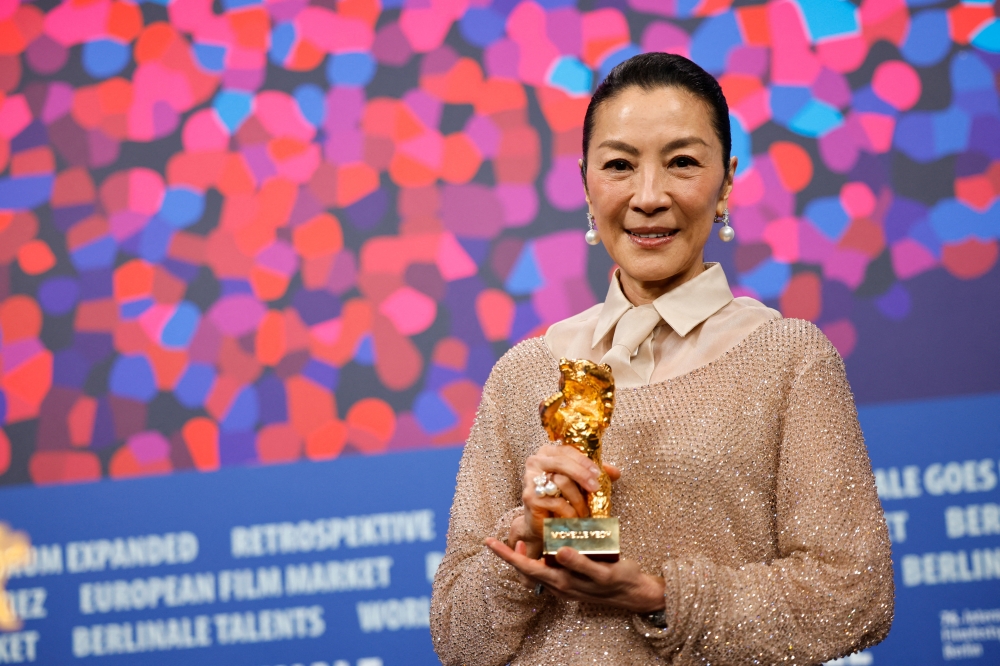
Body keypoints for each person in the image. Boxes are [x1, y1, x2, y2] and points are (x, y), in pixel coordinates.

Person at [430, 52, 893, 665]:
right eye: (619, 165)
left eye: (682, 163)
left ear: (727, 180)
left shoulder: (788, 360)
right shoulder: (524, 373)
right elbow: (456, 642)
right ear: (585, 182)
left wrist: (657, 596)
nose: (648, 197)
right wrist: (527, 543)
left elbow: (854, 595)